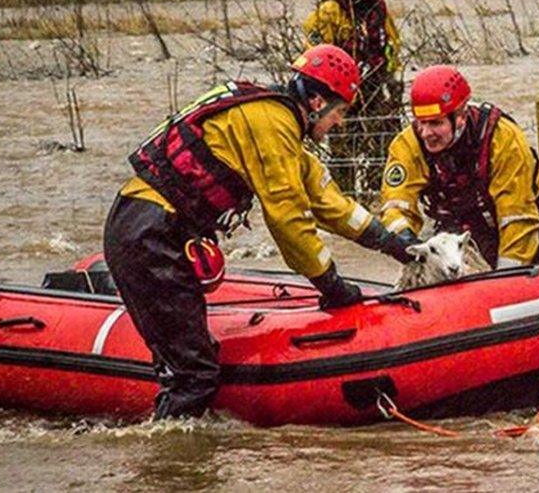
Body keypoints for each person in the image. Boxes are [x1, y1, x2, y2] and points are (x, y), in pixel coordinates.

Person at [103, 44, 414, 420]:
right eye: (341, 112)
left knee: (193, 361)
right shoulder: (272, 125)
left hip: (150, 227)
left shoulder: (274, 123)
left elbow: (328, 202)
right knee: (194, 375)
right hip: (150, 234)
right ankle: (172, 466)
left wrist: (393, 244)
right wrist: (330, 284)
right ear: (317, 101)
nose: (340, 124)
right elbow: (288, 219)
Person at [379, 65, 539, 269]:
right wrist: (409, 244)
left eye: (436, 123)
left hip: (526, 219)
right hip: (459, 219)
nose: (426, 133)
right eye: (421, 122)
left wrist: (505, 278)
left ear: (461, 117)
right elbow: (396, 206)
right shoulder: (407, 145)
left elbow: (518, 220)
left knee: (520, 284)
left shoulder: (502, 138)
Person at [302, 0, 402, 195]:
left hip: (376, 94)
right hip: (340, 100)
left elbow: (393, 45)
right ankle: (345, 206)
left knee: (384, 154)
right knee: (343, 160)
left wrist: (388, 80)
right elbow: (314, 50)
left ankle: (379, 203)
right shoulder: (331, 10)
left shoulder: (380, 8)